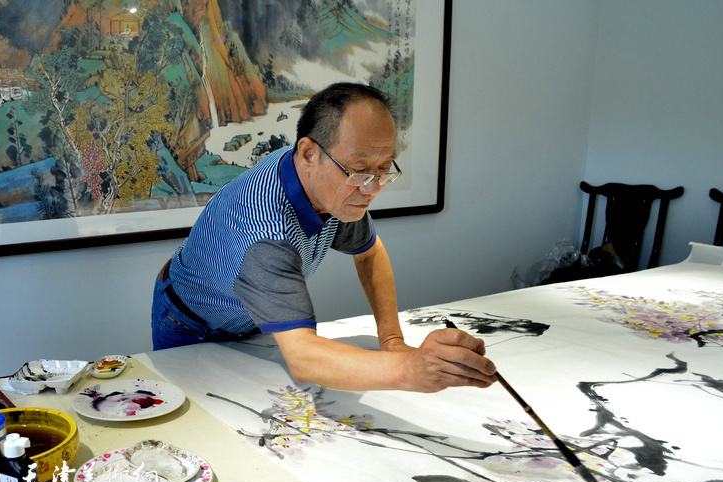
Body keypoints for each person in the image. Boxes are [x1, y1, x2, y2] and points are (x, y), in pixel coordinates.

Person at [152, 82, 495, 392]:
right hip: (190, 320)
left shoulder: (327, 183)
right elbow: (302, 357)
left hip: (251, 320)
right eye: (358, 170)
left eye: (383, 168)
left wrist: (392, 340)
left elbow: (369, 252)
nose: (373, 188)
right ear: (308, 154)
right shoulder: (264, 233)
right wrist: (409, 369)